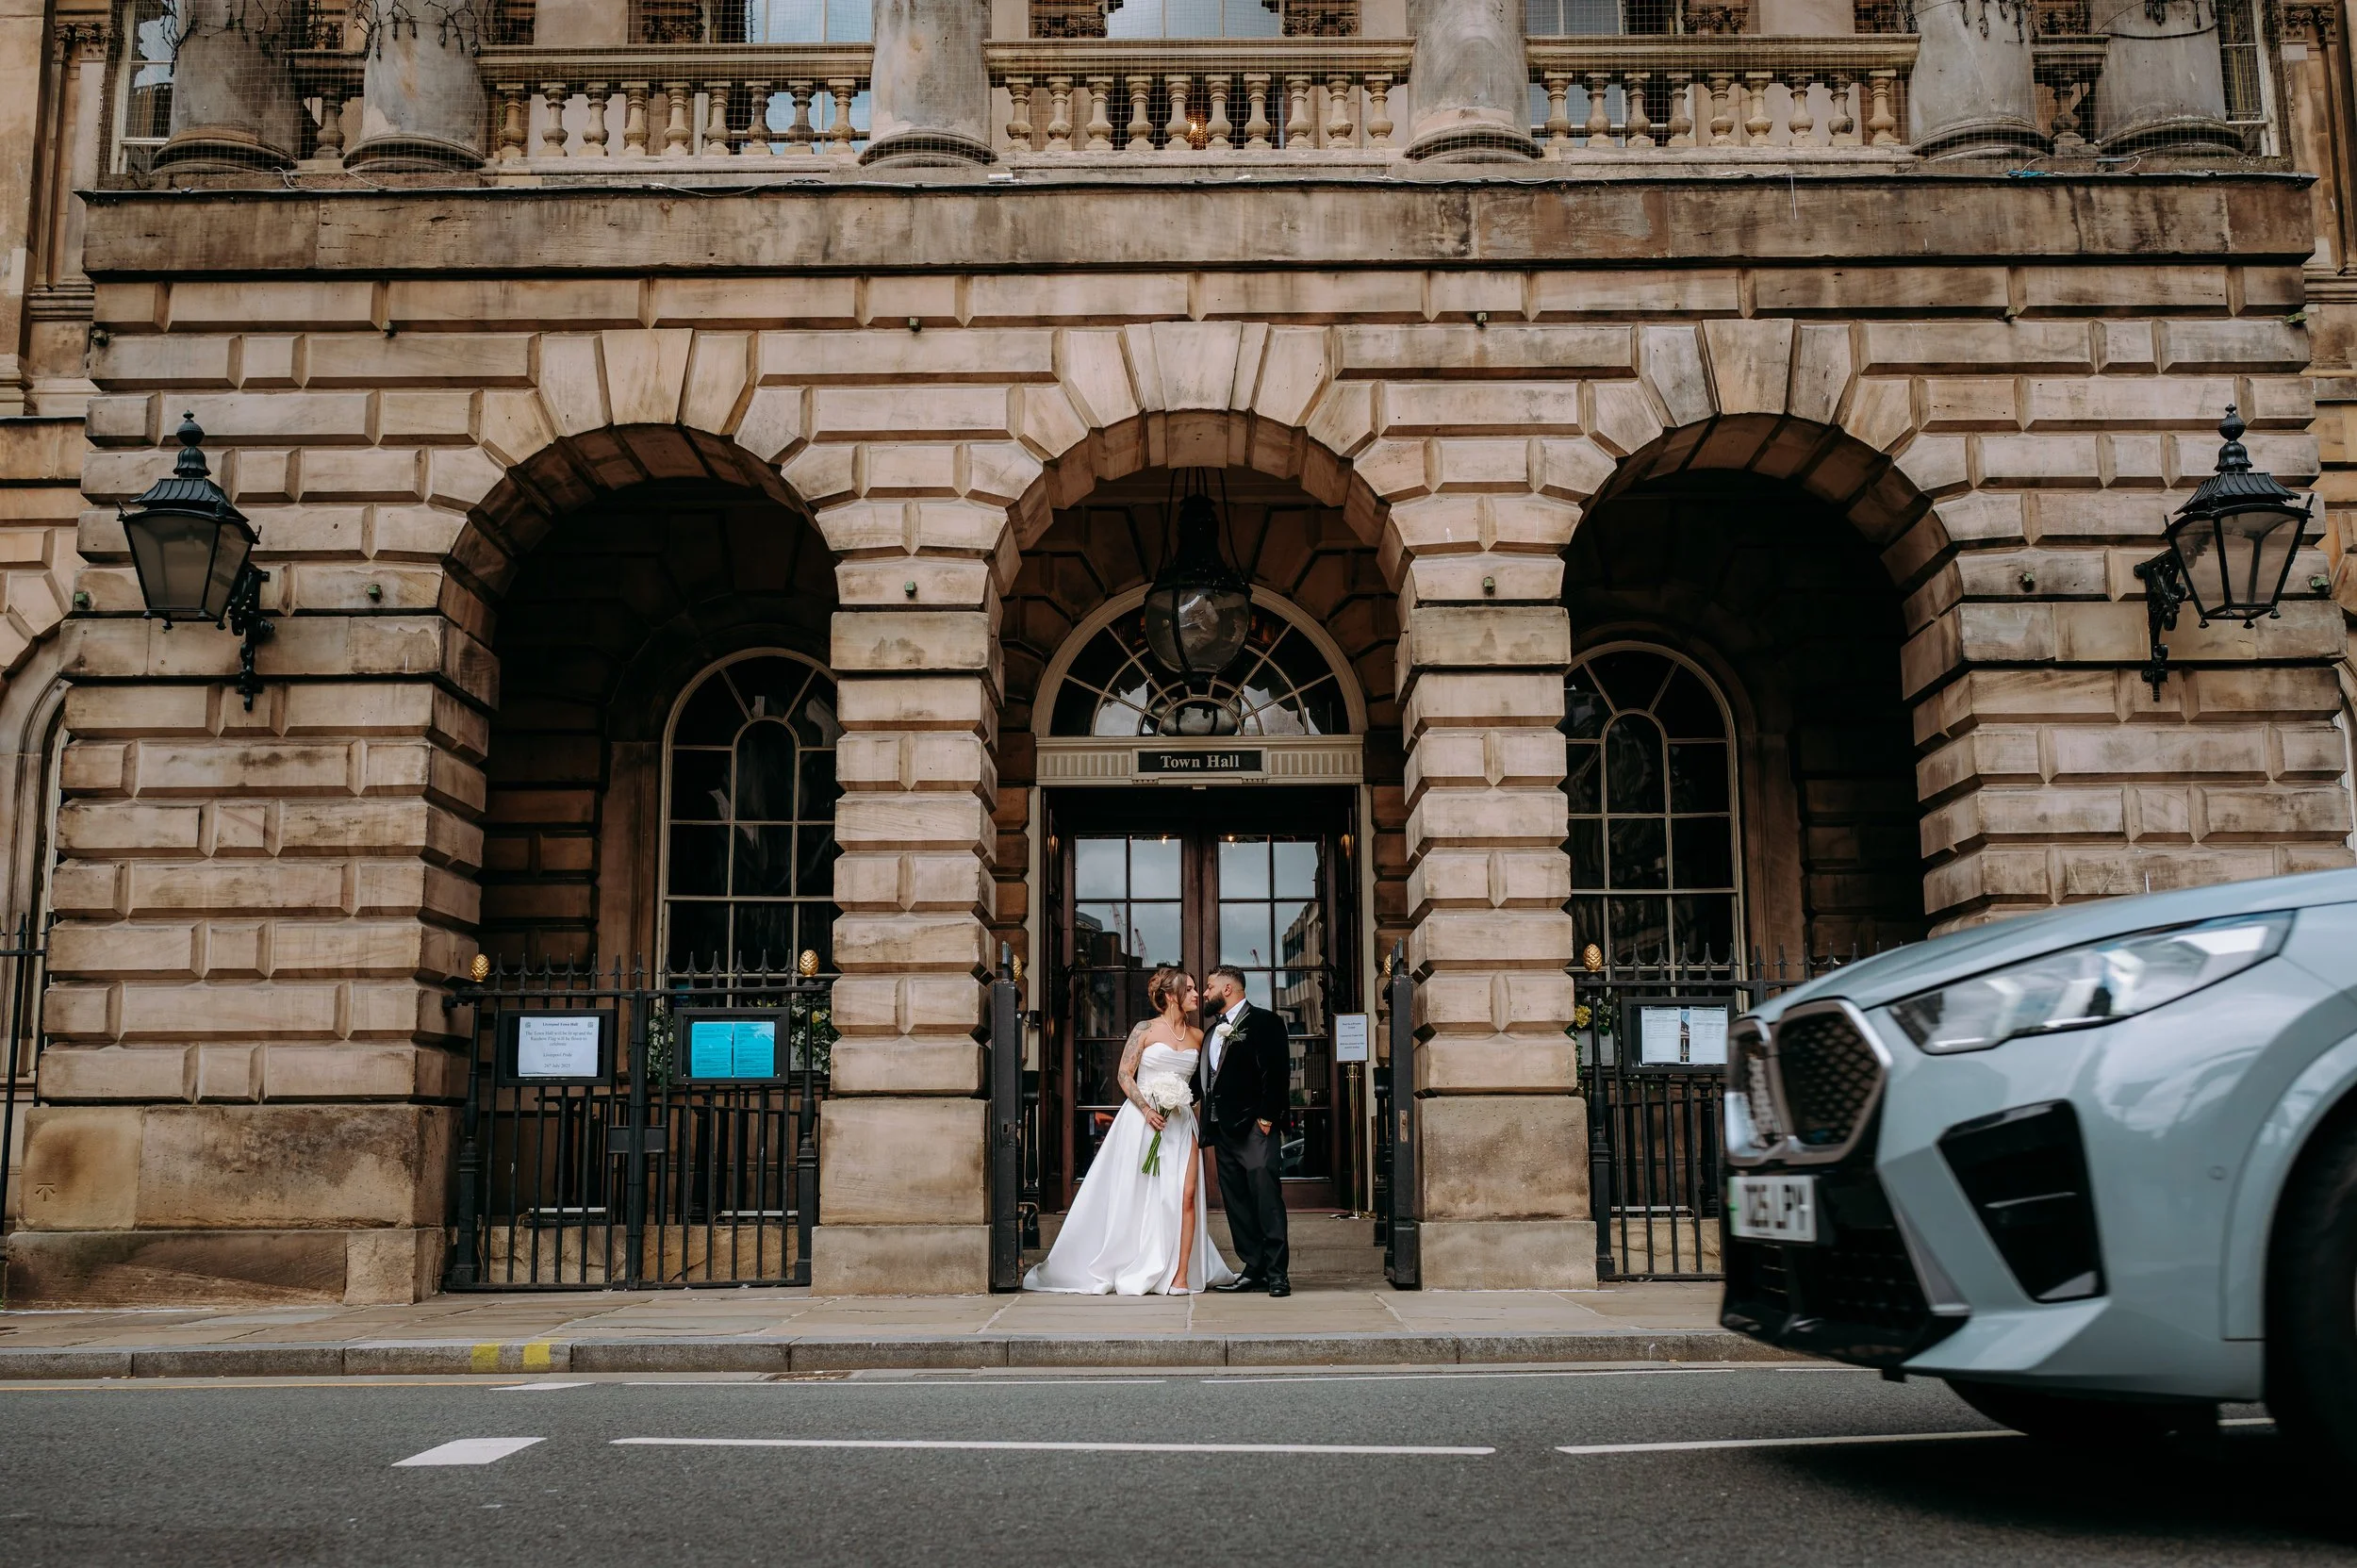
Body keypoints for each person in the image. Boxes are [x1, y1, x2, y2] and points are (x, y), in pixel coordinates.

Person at [1023, 966, 1237, 1296]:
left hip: (1181, 1123)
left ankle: (1181, 1275)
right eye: (1191, 988)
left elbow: (1205, 1086)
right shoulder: (1144, 1030)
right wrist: (1148, 1109)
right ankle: (1136, 1260)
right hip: (1142, 1122)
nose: (1197, 994)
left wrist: (1190, 1106)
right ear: (1171, 995)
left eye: (1198, 988)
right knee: (1140, 1196)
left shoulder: (1199, 1036)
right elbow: (1124, 1074)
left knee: (1187, 1195)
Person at [1198, 964, 1293, 1297]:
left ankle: (1277, 1273)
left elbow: (1278, 1073)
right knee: (1237, 1204)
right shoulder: (1211, 1033)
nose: (1205, 993)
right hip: (1222, 1132)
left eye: (1209, 987)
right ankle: (1254, 1268)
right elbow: (1206, 1082)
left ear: (1228, 989)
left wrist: (1266, 1119)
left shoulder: (1266, 1021)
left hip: (1255, 1130)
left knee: (1266, 1200)